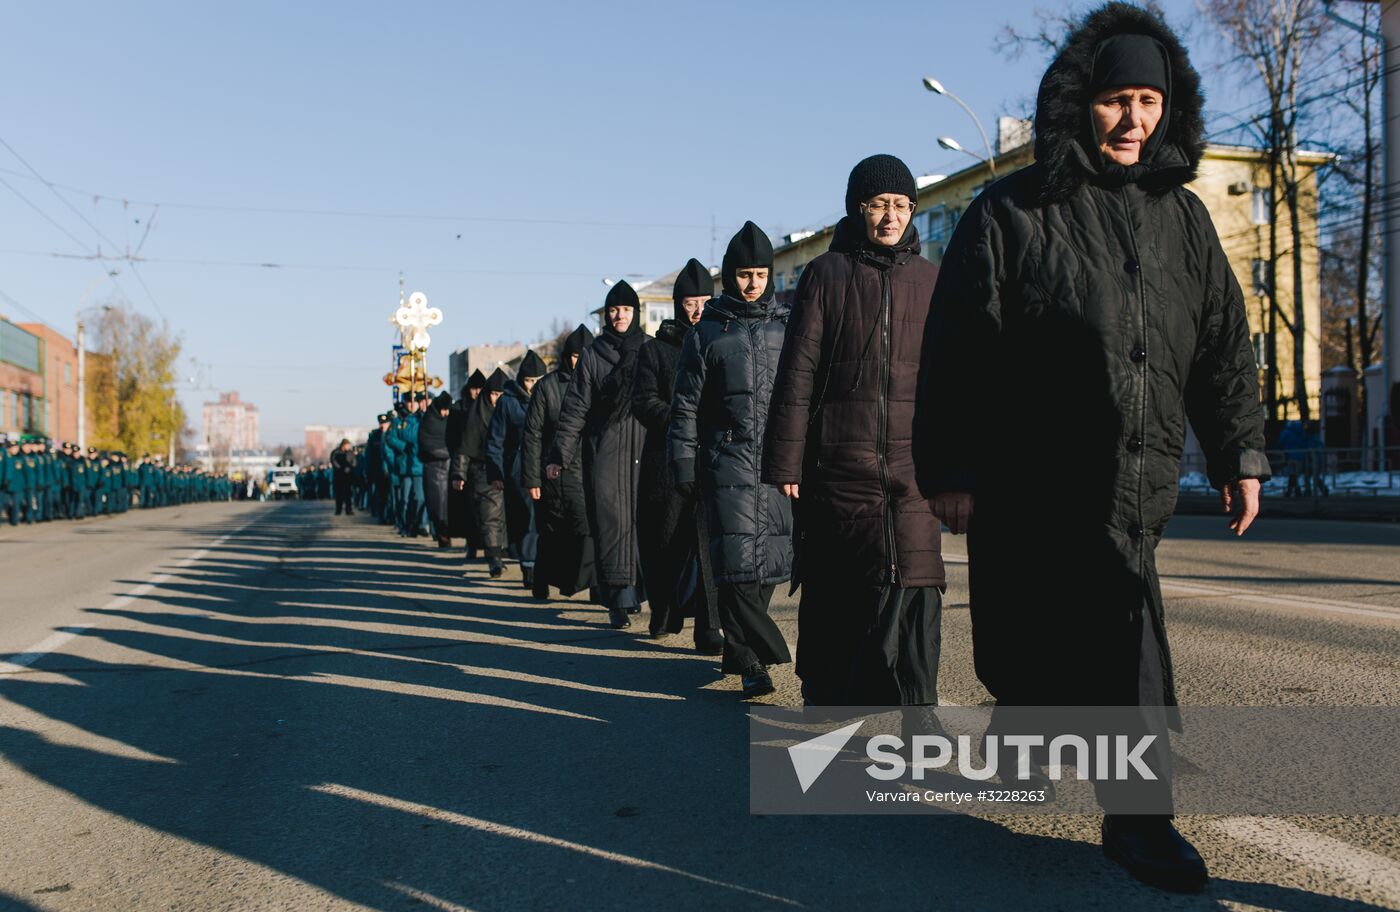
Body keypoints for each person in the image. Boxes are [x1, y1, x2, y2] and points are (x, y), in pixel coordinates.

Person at [914, 4, 1270, 893]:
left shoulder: (1184, 220)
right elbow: (958, 349)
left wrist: (1240, 453)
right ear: (1082, 102)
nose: (1134, 120)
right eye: (1118, 100)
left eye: (1150, 101)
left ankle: (1138, 820)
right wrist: (952, 469)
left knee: (1125, 636)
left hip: (1131, 477)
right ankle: (1036, 726)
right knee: (1036, 635)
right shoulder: (1011, 211)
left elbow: (1223, 346)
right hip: (1030, 478)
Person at [762, 154, 946, 721]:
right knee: (838, 589)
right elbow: (797, 372)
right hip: (839, 462)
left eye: (901, 205)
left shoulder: (931, 280)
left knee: (917, 583)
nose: (891, 217)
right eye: (878, 205)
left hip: (913, 465)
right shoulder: (825, 273)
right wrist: (786, 462)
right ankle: (826, 699)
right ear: (857, 208)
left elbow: (950, 376)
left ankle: (918, 712)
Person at [670, 222, 793, 698]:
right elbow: (684, 406)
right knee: (737, 569)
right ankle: (754, 663)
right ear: (729, 276)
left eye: (760, 274)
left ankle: (739, 652)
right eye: (744, 275)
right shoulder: (705, 334)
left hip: (777, 464)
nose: (753, 284)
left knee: (768, 568)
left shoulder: (788, 328)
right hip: (727, 462)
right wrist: (683, 463)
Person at [633, 258, 723, 651]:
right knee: (665, 542)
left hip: (713, 458)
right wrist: (678, 418)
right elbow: (642, 400)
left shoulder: (722, 340)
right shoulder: (655, 350)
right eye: (690, 302)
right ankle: (664, 610)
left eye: (705, 301)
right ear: (677, 305)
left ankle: (709, 625)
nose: (698, 309)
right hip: (666, 462)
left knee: (710, 544)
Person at [546, 281, 648, 628]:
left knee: (643, 526)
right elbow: (575, 407)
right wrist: (559, 454)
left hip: (645, 448)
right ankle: (617, 600)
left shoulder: (649, 348)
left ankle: (638, 592)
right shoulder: (592, 355)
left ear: (636, 313)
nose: (619, 316)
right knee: (611, 525)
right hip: (605, 452)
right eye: (614, 310)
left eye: (626, 310)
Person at [522, 325, 597, 600]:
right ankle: (542, 581)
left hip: (589, 470)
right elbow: (532, 435)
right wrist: (532, 478)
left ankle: (593, 587)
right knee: (551, 530)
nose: (579, 361)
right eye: (576, 356)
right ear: (567, 356)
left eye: (585, 356)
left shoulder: (600, 383)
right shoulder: (547, 386)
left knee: (588, 529)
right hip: (553, 472)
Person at [487, 350, 547, 588]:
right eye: (529, 380)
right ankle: (529, 565)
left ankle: (542, 563)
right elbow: (496, 440)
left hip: (546, 465)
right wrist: (496, 472)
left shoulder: (549, 395)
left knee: (544, 518)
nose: (533, 386)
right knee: (526, 518)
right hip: (518, 468)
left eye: (537, 380)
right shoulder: (507, 401)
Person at [452, 368, 509, 576]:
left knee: (505, 517)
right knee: (489, 515)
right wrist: (459, 473)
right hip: (482, 471)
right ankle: (494, 558)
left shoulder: (510, 412)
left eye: (501, 394)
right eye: (494, 394)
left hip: (508, 470)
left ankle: (503, 553)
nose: (497, 399)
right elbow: (464, 446)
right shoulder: (476, 414)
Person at [419, 391, 455, 547]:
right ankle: (440, 533)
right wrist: (447, 452)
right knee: (437, 504)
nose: (445, 413)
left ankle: (446, 532)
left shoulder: (450, 419)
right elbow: (426, 443)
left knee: (449, 505)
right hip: (434, 468)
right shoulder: (429, 420)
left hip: (450, 467)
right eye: (444, 410)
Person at [330, 438, 357, 516]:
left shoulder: (350, 453)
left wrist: (350, 468)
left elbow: (354, 462)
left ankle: (349, 509)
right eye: (347, 445)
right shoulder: (336, 452)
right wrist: (341, 469)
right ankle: (338, 510)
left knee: (348, 494)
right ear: (343, 445)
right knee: (339, 494)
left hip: (348, 476)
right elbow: (334, 461)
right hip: (339, 477)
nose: (349, 447)